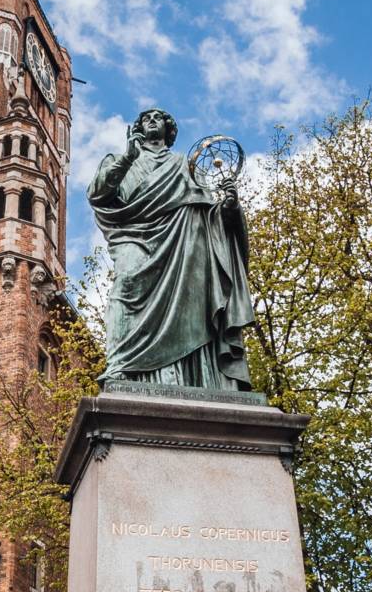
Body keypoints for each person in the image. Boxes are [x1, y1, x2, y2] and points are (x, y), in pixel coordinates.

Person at [88, 107, 254, 389]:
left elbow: (208, 214)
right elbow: (98, 193)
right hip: (134, 234)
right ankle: (120, 365)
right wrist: (128, 158)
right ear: (139, 128)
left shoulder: (184, 166)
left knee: (192, 305)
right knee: (125, 285)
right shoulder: (120, 159)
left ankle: (195, 378)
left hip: (184, 239)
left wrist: (229, 207)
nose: (152, 121)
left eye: (158, 118)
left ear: (168, 129)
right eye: (146, 118)